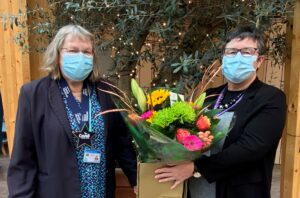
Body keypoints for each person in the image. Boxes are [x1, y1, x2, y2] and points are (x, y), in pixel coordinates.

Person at [154, 25, 287, 198]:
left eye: (246, 52)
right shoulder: (209, 96)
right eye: (231, 52)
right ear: (223, 58)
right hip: (199, 189)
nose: (237, 57)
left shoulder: (270, 98)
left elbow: (251, 148)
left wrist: (195, 167)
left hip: (240, 191)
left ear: (259, 60)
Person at [7, 24, 137, 198]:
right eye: (73, 51)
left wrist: (136, 179)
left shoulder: (108, 91)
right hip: (55, 192)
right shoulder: (34, 94)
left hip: (100, 191)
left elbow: (122, 143)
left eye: (87, 52)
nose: (81, 57)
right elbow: (23, 158)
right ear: (57, 54)